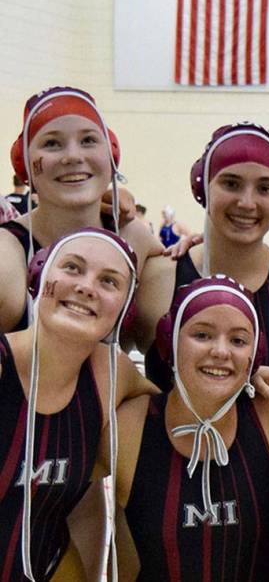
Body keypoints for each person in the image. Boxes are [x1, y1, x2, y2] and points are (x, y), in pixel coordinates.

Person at [108, 275, 269, 580]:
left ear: (255, 355)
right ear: (169, 341)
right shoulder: (126, 427)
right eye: (202, 335)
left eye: (238, 341)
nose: (221, 352)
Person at [131, 122, 269, 393]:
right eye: (231, 183)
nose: (247, 203)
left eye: (265, 188)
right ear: (203, 188)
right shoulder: (155, 278)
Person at [0, 229, 157, 580]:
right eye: (72, 268)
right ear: (39, 276)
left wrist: (253, 378)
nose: (87, 287)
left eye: (109, 281)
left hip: (51, 564)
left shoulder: (112, 374)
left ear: (125, 310)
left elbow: (189, 410)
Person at [0, 86, 163, 333]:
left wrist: (198, 247)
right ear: (24, 164)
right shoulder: (8, 258)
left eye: (88, 140)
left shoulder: (134, 238)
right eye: (52, 143)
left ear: (112, 154)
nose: (73, 156)